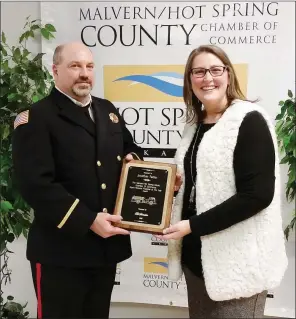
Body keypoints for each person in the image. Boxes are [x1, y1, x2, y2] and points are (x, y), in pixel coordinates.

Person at [12, 42, 143, 318]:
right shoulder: (36, 118)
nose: (84, 73)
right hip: (60, 254)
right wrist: (88, 220)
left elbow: (131, 149)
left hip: (104, 252)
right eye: (75, 66)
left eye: (89, 66)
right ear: (55, 70)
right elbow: (35, 185)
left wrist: (134, 161)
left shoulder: (107, 110)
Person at [158, 45, 288, 318]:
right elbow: (202, 183)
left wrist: (191, 225)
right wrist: (178, 186)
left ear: (228, 75)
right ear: (189, 79)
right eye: (199, 71)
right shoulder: (194, 124)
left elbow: (257, 195)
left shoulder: (248, 120)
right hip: (198, 260)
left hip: (238, 266)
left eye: (216, 70)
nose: (208, 78)